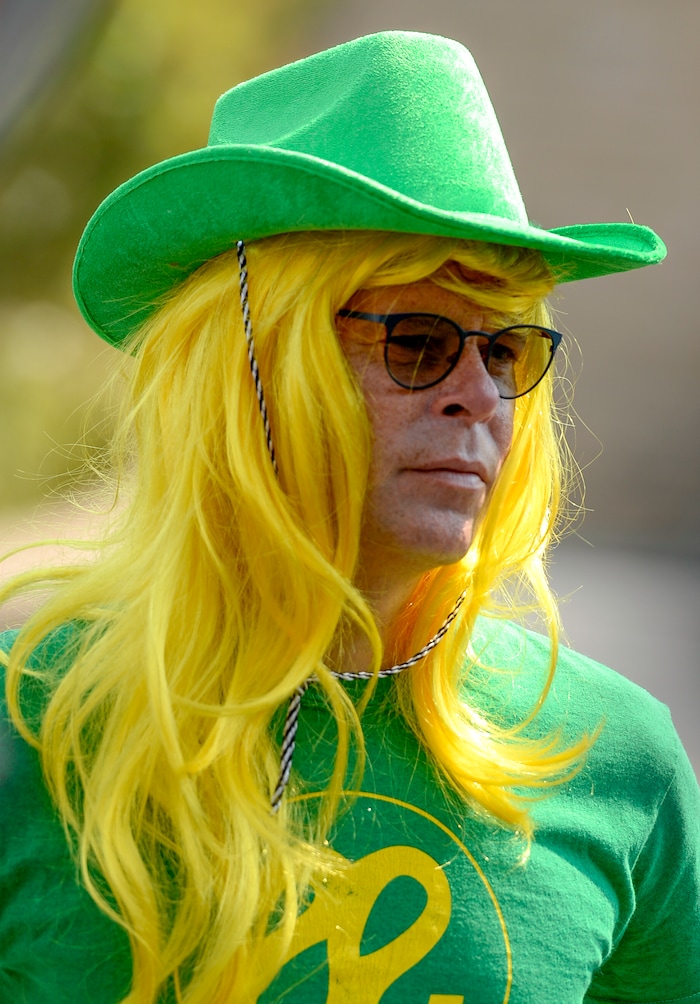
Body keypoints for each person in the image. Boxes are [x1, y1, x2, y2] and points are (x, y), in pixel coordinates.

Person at [1, 29, 698, 1004]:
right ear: (246, 367)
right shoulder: (26, 724)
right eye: (417, 341)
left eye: (504, 353)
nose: (478, 397)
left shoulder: (620, 761)